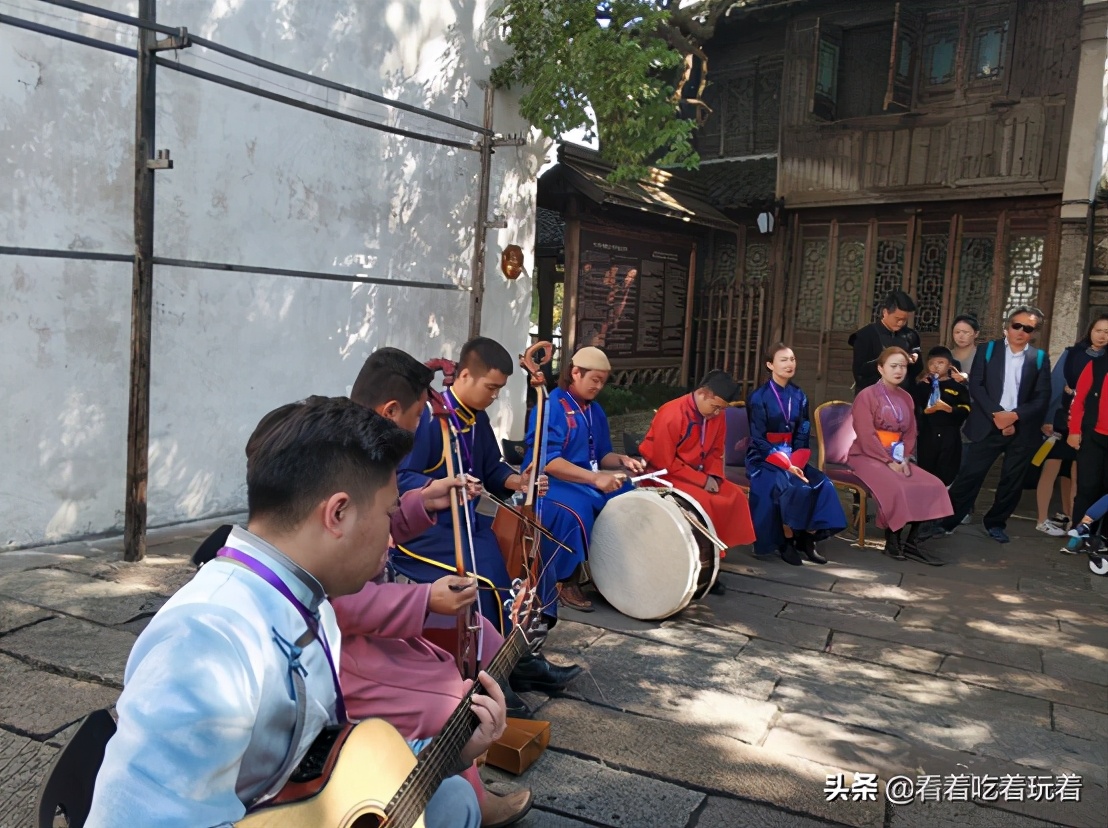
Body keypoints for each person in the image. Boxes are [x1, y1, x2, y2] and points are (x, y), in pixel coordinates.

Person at [88, 397, 494, 828]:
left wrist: (452, 752)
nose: (391, 539)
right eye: (389, 513)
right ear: (338, 513)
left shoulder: (308, 601)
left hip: (285, 804)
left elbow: (322, 762)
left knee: (453, 798)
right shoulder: (208, 641)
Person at [344, 347, 541, 827]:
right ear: (391, 412)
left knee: (483, 633)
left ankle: (471, 769)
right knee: (451, 689)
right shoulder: (342, 470)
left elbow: (385, 526)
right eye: (417, 418)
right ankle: (458, 782)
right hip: (346, 636)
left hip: (376, 604)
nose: (420, 427)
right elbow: (333, 596)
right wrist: (423, 597)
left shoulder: (374, 458)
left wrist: (426, 499)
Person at [389, 338, 580, 697]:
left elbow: (492, 469)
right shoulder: (430, 417)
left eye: (499, 389)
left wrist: (518, 481)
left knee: (529, 561)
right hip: (425, 532)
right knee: (489, 578)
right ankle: (490, 674)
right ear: (464, 375)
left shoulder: (475, 419)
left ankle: (522, 657)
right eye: (491, 387)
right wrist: (444, 486)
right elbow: (401, 478)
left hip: (468, 527)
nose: (495, 396)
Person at [523, 346, 642, 610]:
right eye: (594, 380)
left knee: (628, 496)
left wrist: (622, 461)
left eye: (602, 382)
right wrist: (595, 479)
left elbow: (601, 454)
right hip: (549, 482)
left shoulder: (594, 410)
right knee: (577, 511)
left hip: (583, 480)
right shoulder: (552, 405)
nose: (598, 386)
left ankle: (611, 570)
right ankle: (564, 580)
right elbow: (548, 461)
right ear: (575, 372)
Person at [926, 307, 1053, 544]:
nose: (1021, 331)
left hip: (1021, 428)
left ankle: (995, 523)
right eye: (1017, 325)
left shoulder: (1038, 358)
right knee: (970, 475)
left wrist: (1014, 416)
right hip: (988, 422)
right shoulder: (989, 350)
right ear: (1008, 326)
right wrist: (998, 415)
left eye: (1028, 328)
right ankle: (946, 522)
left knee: (1012, 480)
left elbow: (1042, 396)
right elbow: (977, 385)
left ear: (1034, 332)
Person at [637, 369, 757, 564]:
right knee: (704, 502)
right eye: (715, 407)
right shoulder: (671, 413)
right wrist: (702, 480)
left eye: (721, 409)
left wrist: (714, 476)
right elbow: (664, 462)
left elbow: (716, 451)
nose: (717, 413)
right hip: (662, 474)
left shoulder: (718, 415)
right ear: (703, 393)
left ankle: (717, 550)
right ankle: (706, 555)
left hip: (698, 472)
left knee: (735, 495)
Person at [745, 344, 847, 566]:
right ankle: (786, 538)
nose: (790, 364)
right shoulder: (758, 397)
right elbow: (758, 438)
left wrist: (797, 460)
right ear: (770, 365)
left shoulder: (799, 395)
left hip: (794, 454)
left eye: (792, 359)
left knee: (822, 484)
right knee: (789, 486)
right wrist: (785, 463)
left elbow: (803, 429)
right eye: (783, 360)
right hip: (765, 456)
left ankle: (807, 537)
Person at [848, 347, 952, 564]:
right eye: (893, 366)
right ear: (880, 368)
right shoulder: (866, 396)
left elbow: (911, 432)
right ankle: (892, 540)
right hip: (867, 455)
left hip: (898, 457)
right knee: (898, 486)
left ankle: (912, 541)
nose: (898, 370)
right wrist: (887, 461)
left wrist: (904, 458)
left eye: (903, 366)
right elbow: (866, 434)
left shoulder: (906, 397)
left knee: (933, 484)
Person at [1037, 314, 1108, 537]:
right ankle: (1053, 522)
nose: (1102, 336)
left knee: (1084, 479)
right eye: (1098, 330)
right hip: (1073, 424)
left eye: (1107, 332)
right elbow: (1063, 389)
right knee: (1061, 471)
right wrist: (1051, 420)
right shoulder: (1077, 355)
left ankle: (1084, 526)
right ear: (1090, 331)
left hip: (1091, 428)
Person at [907, 346, 971, 486]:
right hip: (927, 434)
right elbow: (914, 407)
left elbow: (966, 408)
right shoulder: (923, 386)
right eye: (932, 363)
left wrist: (949, 409)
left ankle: (944, 493)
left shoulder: (957, 387)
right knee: (926, 468)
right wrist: (924, 412)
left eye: (941, 363)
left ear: (949, 365)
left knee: (947, 469)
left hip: (950, 434)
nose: (936, 366)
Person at [1067, 333, 1108, 542]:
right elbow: (1078, 400)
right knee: (1087, 487)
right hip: (1093, 436)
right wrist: (1074, 430)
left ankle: (1103, 540)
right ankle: (1079, 535)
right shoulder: (1097, 365)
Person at [848, 290, 923, 393]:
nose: (900, 323)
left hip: (902, 395)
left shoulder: (911, 336)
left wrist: (914, 358)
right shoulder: (865, 335)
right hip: (873, 395)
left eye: (904, 320)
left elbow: (917, 370)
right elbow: (859, 373)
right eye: (897, 318)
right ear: (885, 312)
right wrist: (885, 361)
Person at [948, 314, 980, 381]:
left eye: (966, 332)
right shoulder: (946, 356)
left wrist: (966, 378)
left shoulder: (982, 357)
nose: (961, 336)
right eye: (957, 332)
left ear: (976, 334)